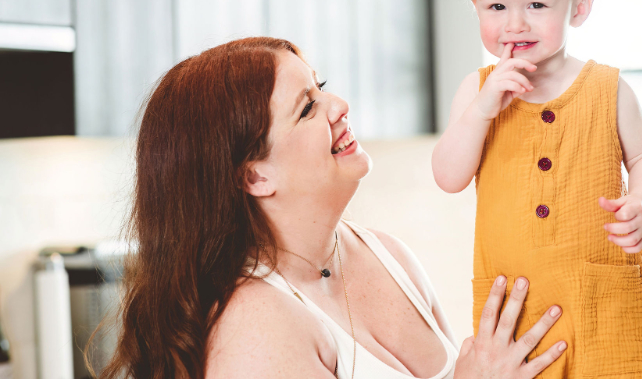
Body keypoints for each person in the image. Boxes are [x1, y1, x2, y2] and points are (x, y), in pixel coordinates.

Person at [97, 37, 568, 379]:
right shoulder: (255, 329)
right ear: (254, 176)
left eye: (321, 88)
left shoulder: (387, 255)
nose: (339, 105)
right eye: (307, 108)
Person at [431, 0, 642, 378]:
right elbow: (448, 176)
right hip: (518, 319)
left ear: (578, 8)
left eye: (537, 5)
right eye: (496, 6)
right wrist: (482, 111)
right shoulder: (476, 91)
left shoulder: (608, 88)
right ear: (476, 4)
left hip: (604, 308)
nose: (515, 24)